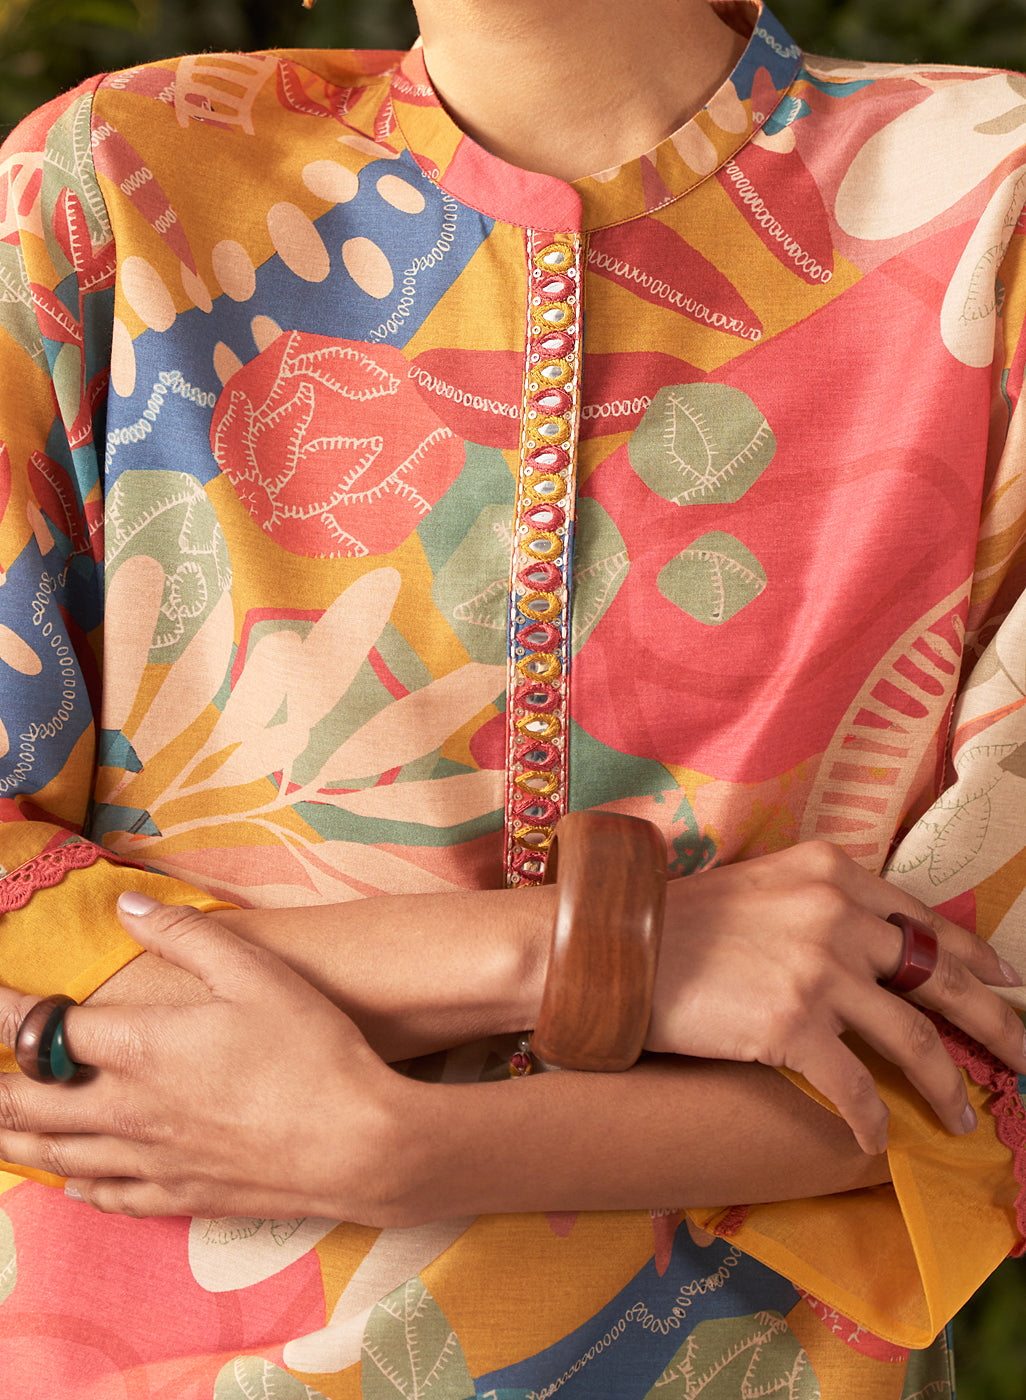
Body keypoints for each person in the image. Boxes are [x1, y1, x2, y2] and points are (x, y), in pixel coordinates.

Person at [0, 0, 1025, 1393]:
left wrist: (401, 1149)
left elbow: (983, 1047)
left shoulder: (986, 206)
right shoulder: (112, 184)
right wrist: (584, 956)